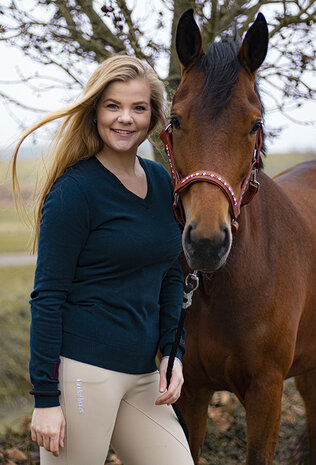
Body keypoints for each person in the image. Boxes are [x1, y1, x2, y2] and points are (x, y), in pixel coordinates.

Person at [12, 56, 194, 465]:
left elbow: (169, 272)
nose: (125, 119)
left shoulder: (162, 181)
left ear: (153, 117)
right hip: (83, 374)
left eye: (138, 108)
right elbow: (47, 296)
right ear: (95, 110)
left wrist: (172, 351)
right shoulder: (74, 191)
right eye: (113, 106)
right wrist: (46, 398)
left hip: (146, 378)